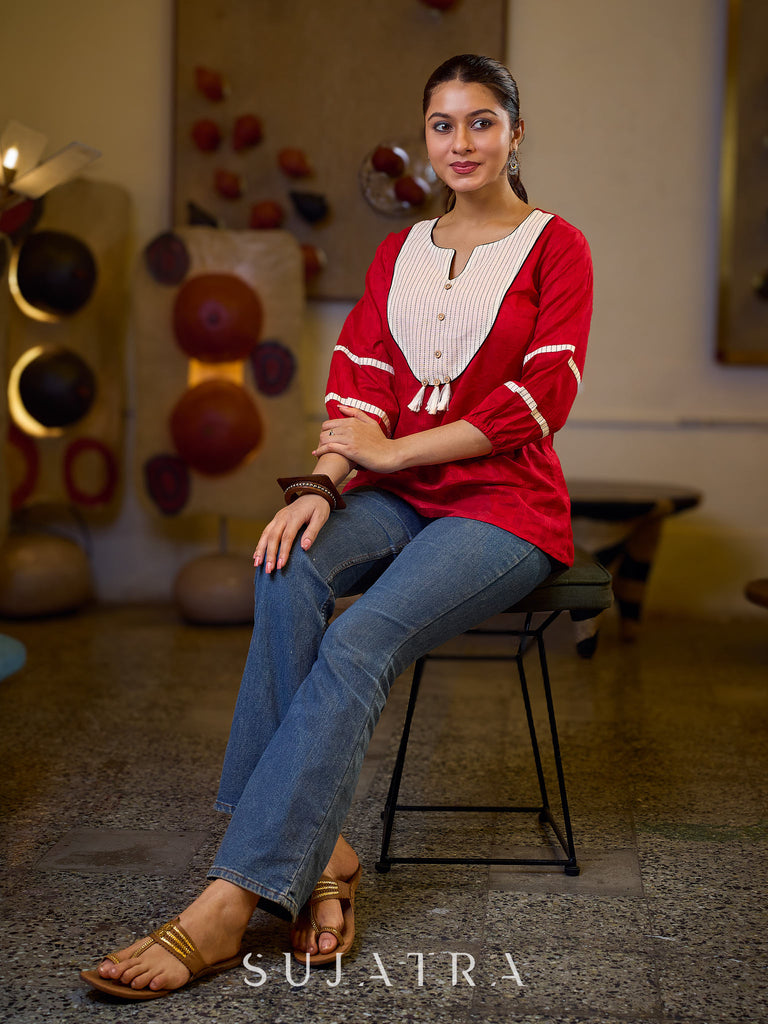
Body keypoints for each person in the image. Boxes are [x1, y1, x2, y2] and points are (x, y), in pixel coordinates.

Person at [80, 52, 592, 999]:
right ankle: (321, 853)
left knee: (357, 641)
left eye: (482, 121)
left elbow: (542, 397)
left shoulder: (558, 247)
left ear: (516, 132)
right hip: (393, 492)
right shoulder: (399, 253)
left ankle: (233, 899)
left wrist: (394, 455)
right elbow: (359, 383)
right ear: (427, 139)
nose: (462, 142)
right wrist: (320, 485)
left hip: (504, 502)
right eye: (443, 124)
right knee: (286, 566)